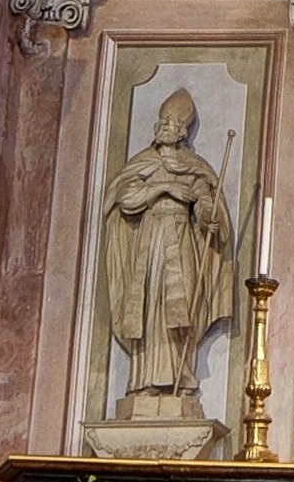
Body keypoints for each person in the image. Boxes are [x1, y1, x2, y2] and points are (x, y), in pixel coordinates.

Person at [95, 88, 241, 420]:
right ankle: (143, 381)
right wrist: (163, 187)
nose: (165, 125)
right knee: (149, 307)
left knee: (183, 304)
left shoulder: (194, 167)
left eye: (172, 122)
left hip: (181, 240)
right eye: (163, 120)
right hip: (149, 244)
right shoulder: (141, 164)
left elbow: (204, 202)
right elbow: (125, 199)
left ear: (182, 132)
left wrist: (209, 216)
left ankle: (181, 377)